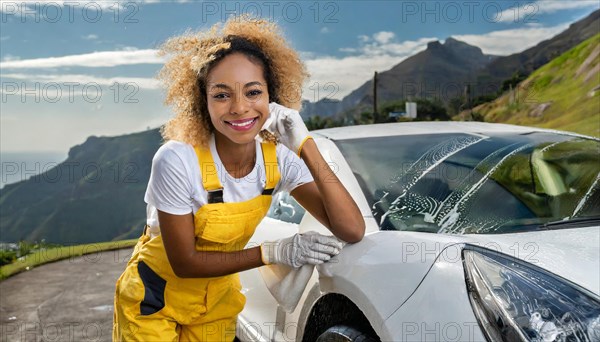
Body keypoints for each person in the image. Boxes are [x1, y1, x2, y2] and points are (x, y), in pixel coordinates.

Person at [112, 15, 365, 342]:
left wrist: (305, 145)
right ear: (202, 102)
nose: (240, 108)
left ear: (271, 97)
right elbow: (184, 263)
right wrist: (273, 252)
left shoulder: (280, 158)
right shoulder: (177, 160)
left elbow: (352, 228)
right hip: (154, 301)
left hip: (216, 301)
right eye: (221, 95)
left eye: (253, 92)